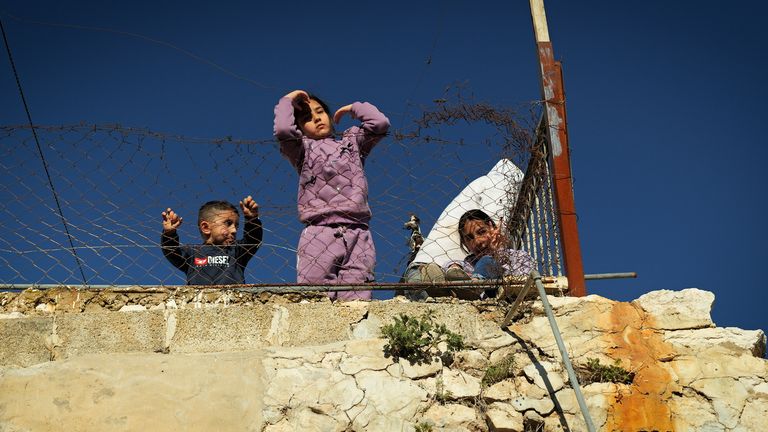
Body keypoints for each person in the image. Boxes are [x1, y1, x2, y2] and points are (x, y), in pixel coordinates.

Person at [273, 90, 390, 300]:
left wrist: (354, 108)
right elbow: (283, 130)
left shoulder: (351, 143)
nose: (316, 118)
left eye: (320, 112)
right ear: (300, 128)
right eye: (307, 118)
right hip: (320, 231)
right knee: (314, 297)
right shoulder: (302, 150)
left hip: (358, 232)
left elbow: (380, 124)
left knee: (357, 299)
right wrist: (288, 101)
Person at [161, 197, 262, 285]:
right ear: (206, 227)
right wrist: (169, 234)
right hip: (200, 302)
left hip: (232, 302)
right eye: (228, 223)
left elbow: (253, 240)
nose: (234, 230)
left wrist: (252, 219)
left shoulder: (236, 252)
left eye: (236, 226)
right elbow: (172, 252)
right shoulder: (193, 253)